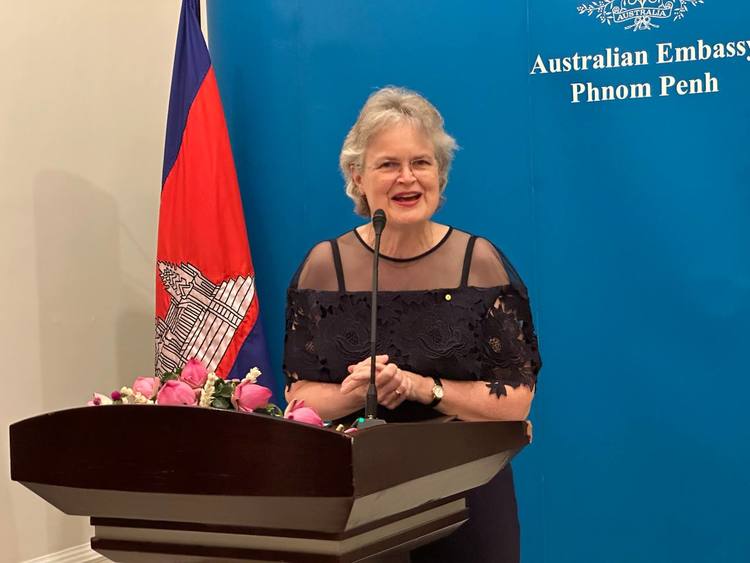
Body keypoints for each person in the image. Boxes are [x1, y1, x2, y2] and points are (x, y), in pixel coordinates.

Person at [283, 86, 541, 562]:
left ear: (440, 174)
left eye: (421, 162)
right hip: (357, 498)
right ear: (358, 177)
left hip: (467, 490)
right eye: (388, 164)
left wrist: (422, 388)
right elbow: (299, 398)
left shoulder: (479, 263)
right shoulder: (325, 267)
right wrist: (359, 391)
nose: (407, 178)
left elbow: (516, 399)